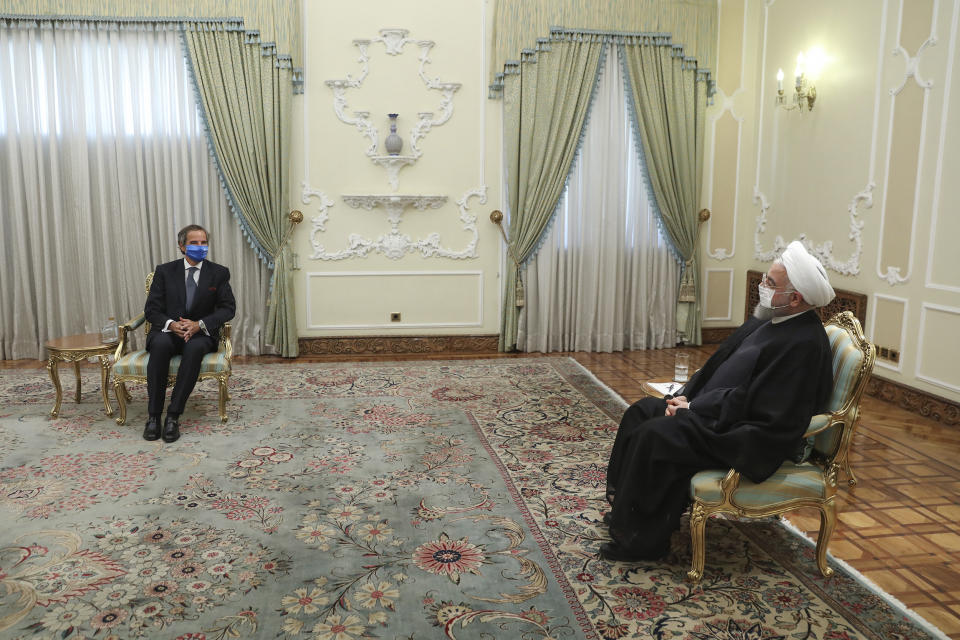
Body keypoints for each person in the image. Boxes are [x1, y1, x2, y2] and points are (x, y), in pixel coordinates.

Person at [601, 240, 836, 562]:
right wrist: (685, 396)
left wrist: (692, 410)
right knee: (640, 413)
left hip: (750, 433)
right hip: (716, 412)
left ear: (795, 299)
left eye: (770, 283)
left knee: (655, 436)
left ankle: (642, 541)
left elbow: (762, 404)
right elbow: (718, 365)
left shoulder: (802, 344)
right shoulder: (767, 319)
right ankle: (626, 514)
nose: (761, 287)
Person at [143, 224, 236, 443]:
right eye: (194, 243)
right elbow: (151, 310)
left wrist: (199, 324)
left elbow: (228, 308)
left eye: (204, 243)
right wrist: (171, 324)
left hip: (200, 334)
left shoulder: (219, 273)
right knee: (161, 345)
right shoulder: (165, 271)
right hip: (168, 331)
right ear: (182, 246)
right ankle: (154, 416)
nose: (200, 247)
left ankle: (173, 416)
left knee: (194, 348)